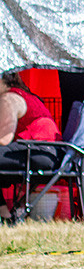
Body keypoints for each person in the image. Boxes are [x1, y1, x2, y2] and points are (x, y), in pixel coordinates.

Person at [0, 72, 62, 221]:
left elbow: (3, 139)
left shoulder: (8, 99)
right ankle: (4, 214)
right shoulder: (22, 94)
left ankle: (4, 214)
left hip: (37, 152)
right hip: (49, 153)